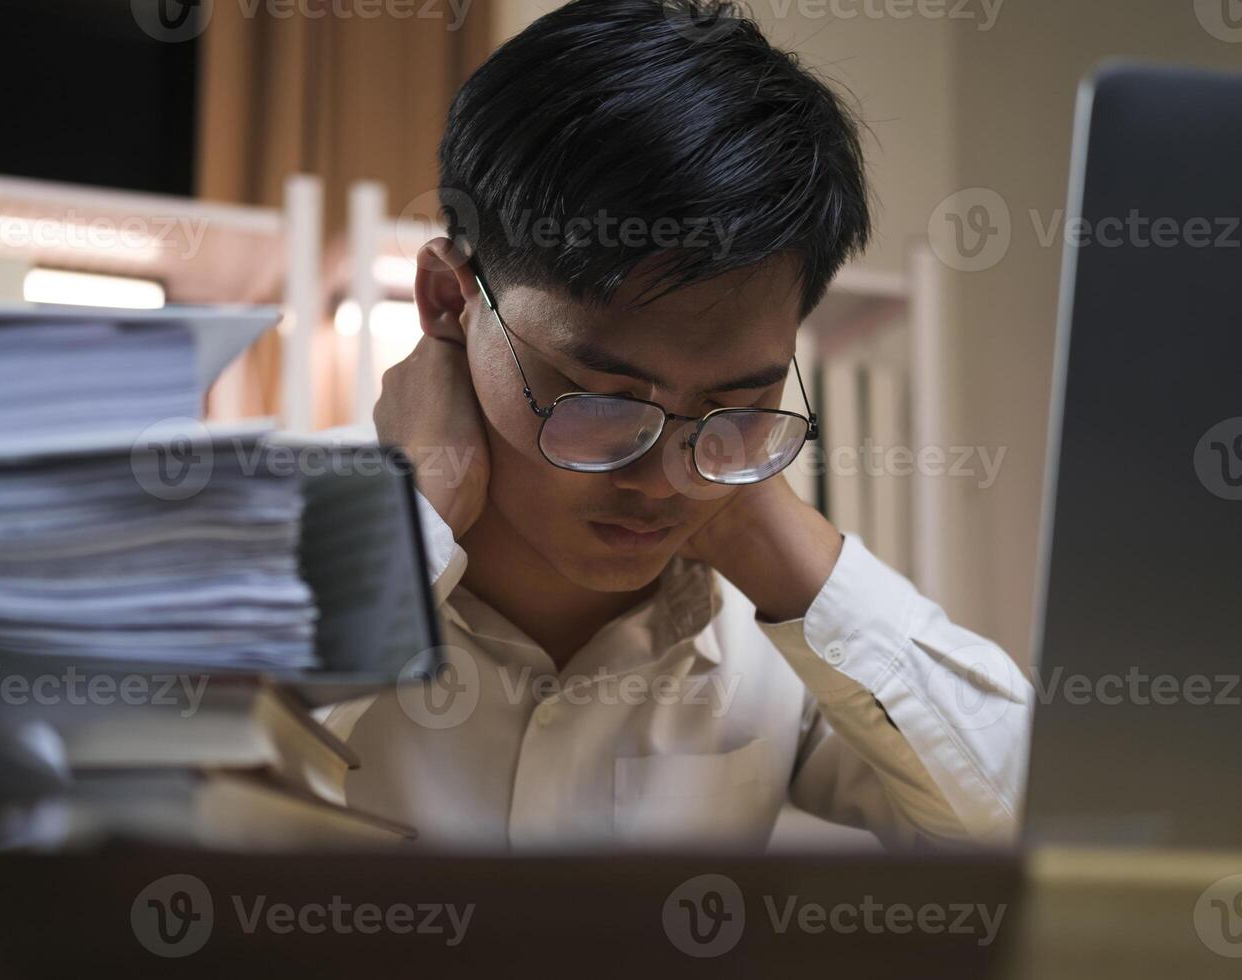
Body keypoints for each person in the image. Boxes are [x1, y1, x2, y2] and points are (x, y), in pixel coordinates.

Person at [326, 0, 1033, 851]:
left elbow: (1058, 837)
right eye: (602, 398)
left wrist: (780, 542)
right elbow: (148, 816)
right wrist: (406, 528)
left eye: (736, 400)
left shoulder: (769, 634)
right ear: (450, 301)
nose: (667, 479)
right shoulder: (248, 536)